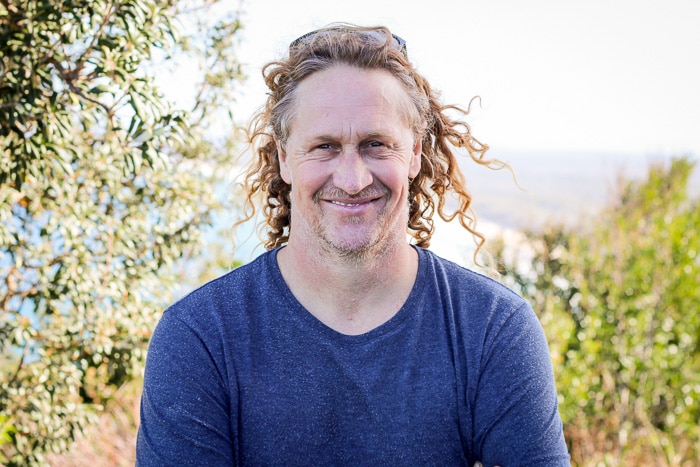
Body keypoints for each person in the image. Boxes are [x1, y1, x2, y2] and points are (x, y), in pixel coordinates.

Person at [136, 24, 570, 466]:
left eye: (375, 145)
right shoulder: (200, 338)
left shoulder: (492, 329)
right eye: (325, 147)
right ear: (285, 157)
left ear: (415, 153)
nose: (353, 179)